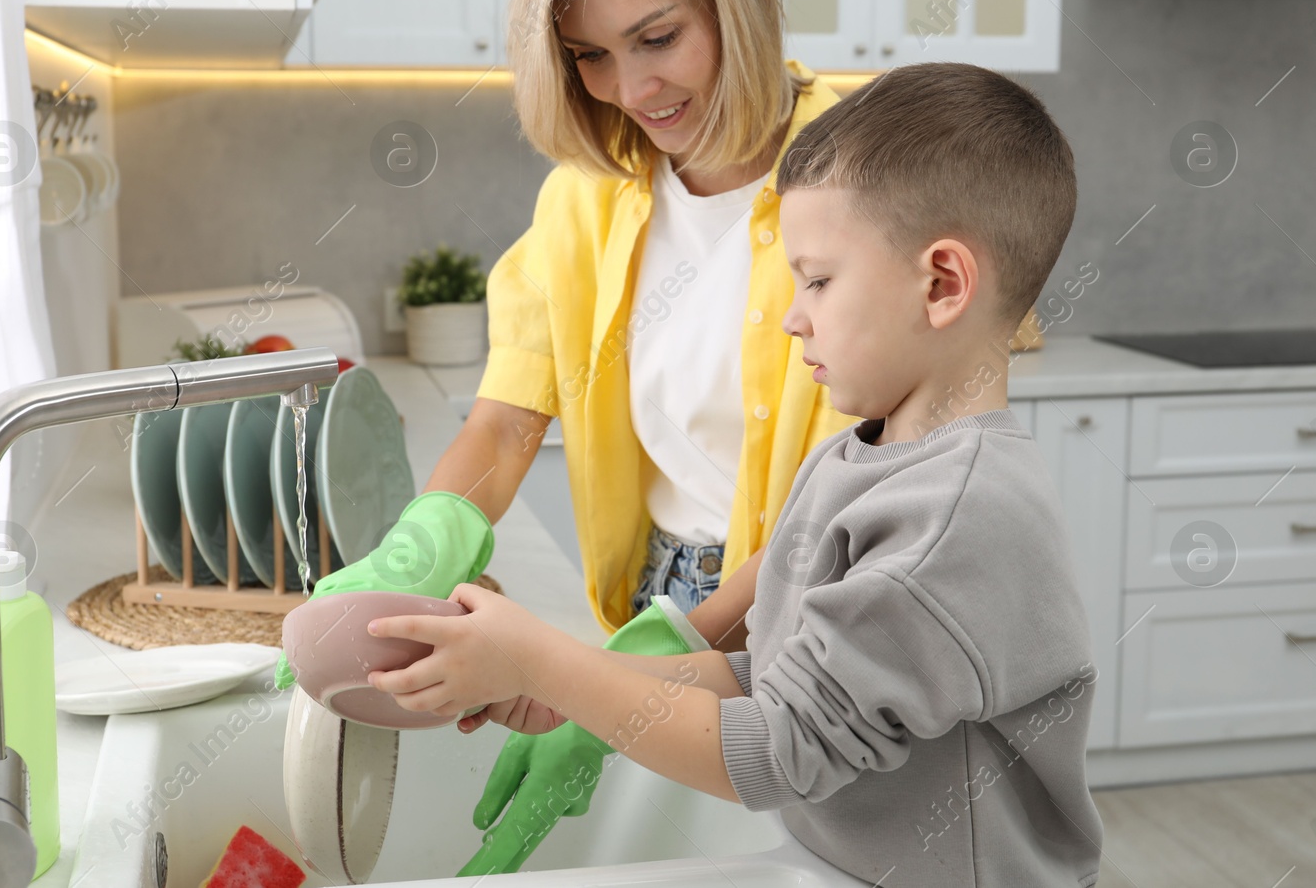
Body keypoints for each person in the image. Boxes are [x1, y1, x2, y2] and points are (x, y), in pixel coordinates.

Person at [278, 0, 876, 872]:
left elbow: (856, 490)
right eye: (589, 55)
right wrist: (427, 538)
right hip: (656, 587)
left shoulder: (869, 165)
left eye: (657, 36)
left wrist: (664, 656)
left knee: (783, 857)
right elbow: (509, 420)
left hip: (805, 600)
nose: (630, 88)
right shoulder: (586, 200)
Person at [365, 62, 1106, 887]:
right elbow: (780, 675)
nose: (794, 316)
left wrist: (547, 664)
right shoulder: (855, 458)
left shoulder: (955, 517)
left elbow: (780, 751)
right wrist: (586, 690)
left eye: (819, 280)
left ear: (941, 284)